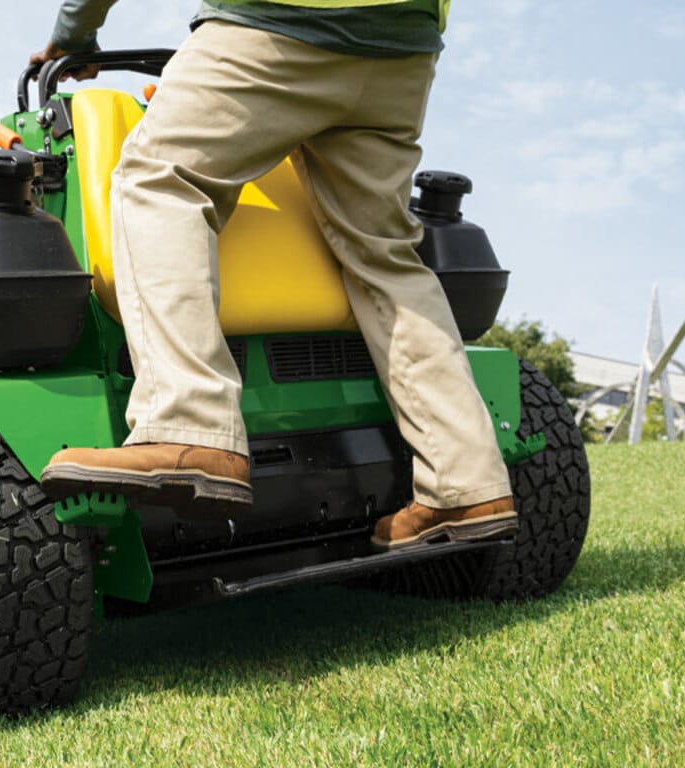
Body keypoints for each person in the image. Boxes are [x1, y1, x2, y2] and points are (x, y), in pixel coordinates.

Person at [34, 0, 518, 550]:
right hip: (402, 48)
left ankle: (189, 425)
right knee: (385, 258)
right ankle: (468, 482)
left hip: (278, 19)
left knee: (160, 180)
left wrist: (74, 34)